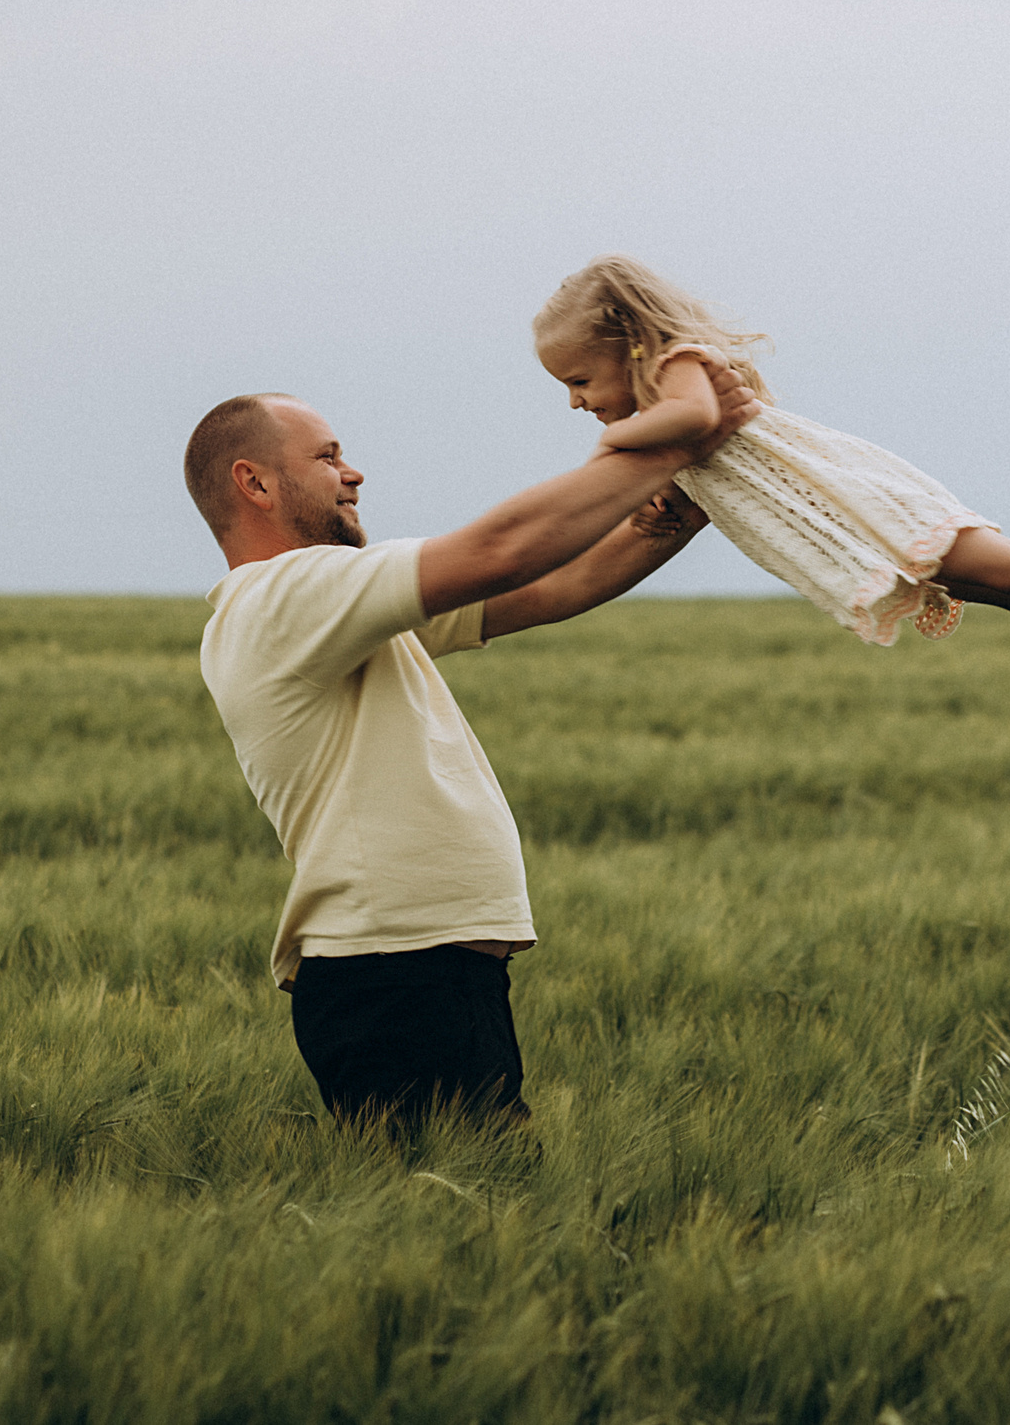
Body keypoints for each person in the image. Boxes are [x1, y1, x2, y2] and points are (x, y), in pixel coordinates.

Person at [186, 382, 757, 1129]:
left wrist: (671, 515)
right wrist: (675, 444)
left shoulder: (322, 610)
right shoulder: (283, 598)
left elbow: (550, 583)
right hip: (393, 974)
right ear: (253, 481)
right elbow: (499, 550)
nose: (353, 472)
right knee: (479, 1217)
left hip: (423, 970)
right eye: (328, 457)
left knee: (479, 1219)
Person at [533, 255, 1010, 704]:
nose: (575, 402)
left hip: (862, 504)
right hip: (846, 526)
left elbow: (694, 416)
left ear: (629, 344)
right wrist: (660, 498)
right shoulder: (667, 413)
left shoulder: (678, 369)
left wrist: (616, 447)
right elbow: (690, 468)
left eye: (579, 379)